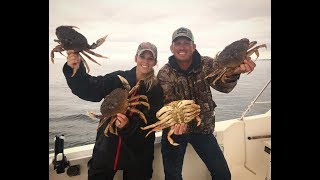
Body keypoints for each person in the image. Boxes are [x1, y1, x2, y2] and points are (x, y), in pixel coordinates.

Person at [157, 27, 256, 180]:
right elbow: (168, 103)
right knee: (172, 176)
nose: (182, 47)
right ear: (172, 48)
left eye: (186, 43)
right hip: (176, 130)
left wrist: (233, 74)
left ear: (193, 46)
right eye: (178, 43)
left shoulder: (208, 64)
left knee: (223, 174)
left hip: (203, 129)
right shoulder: (164, 73)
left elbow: (223, 87)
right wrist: (174, 124)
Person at [63, 42, 163, 180]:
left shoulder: (156, 90)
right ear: (136, 58)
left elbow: (152, 121)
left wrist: (128, 126)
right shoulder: (118, 79)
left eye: (150, 58)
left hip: (139, 154)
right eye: (142, 56)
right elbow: (90, 88)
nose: (145, 61)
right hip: (107, 150)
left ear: (155, 62)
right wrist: (74, 69)